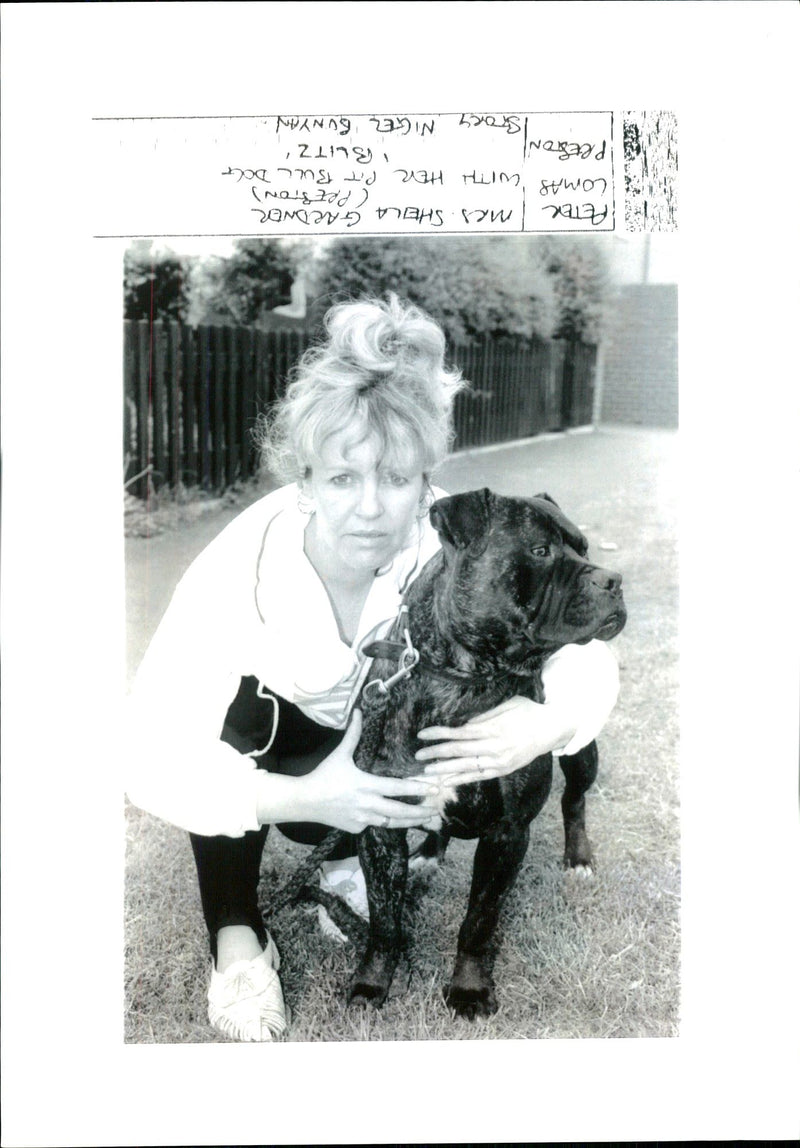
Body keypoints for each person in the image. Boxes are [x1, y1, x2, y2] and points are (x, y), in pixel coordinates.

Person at [125, 294, 620, 1042]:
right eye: (341, 480)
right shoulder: (243, 561)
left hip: (386, 761)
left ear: (427, 487)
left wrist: (546, 720)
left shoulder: (457, 542)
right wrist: (305, 797)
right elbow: (149, 753)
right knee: (238, 715)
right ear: (303, 484)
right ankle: (237, 945)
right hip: (287, 760)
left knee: (455, 707)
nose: (369, 509)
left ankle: (358, 860)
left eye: (395, 480)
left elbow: (591, 657)